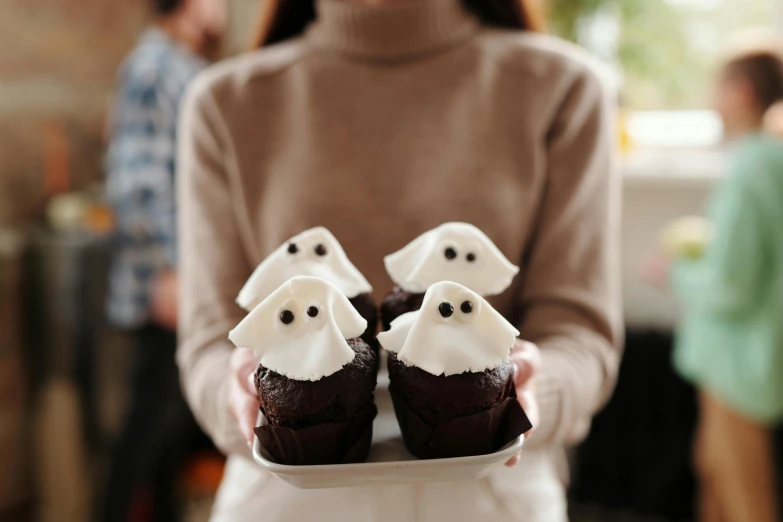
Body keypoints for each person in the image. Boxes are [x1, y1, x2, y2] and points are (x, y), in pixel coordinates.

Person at [176, 0, 621, 520]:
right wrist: (243, 400)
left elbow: (581, 334)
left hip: (495, 494)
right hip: (282, 497)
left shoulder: (562, 87)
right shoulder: (226, 101)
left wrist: (523, 392)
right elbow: (210, 342)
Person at [645, 37, 783, 522]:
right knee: (715, 475)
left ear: (741, 91)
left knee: (744, 497)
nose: (710, 98)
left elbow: (732, 288)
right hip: (750, 364)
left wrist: (676, 271)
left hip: (739, 369)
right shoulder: (769, 163)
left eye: (716, 87)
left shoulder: (753, 169)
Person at [102, 0, 226, 520]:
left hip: (188, 279)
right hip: (168, 285)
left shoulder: (183, 67)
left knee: (169, 437)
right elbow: (138, 183)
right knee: (145, 433)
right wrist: (169, 271)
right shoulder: (155, 69)